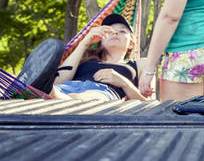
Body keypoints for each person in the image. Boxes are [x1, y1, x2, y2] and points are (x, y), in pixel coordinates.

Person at [17, 14, 147, 100]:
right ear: (101, 40)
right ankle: (44, 92)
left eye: (122, 31)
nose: (116, 32)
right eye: (110, 31)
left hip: (103, 93)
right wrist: (84, 43)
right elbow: (58, 81)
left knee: (83, 98)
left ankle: (46, 94)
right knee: (56, 88)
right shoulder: (86, 60)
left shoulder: (139, 64)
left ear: (131, 43)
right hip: (66, 87)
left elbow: (149, 104)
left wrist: (124, 83)